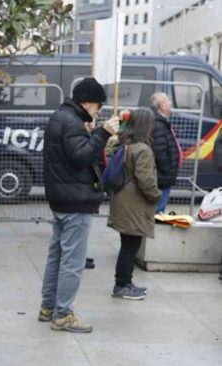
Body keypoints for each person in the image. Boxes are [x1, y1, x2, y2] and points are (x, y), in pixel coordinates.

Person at [39, 77, 119, 334]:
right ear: (88, 102)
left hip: (62, 197)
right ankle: (63, 314)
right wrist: (103, 133)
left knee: (57, 255)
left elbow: (73, 151)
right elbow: (81, 157)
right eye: (98, 105)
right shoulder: (72, 122)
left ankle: (48, 307)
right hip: (76, 199)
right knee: (72, 260)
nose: (99, 111)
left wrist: (91, 132)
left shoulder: (62, 117)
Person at [106, 108, 161, 300]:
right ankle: (122, 285)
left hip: (123, 200)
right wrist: (156, 195)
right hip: (134, 204)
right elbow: (145, 180)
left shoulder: (125, 143)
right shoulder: (143, 149)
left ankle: (125, 283)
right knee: (130, 246)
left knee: (127, 245)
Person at [149, 93, 181, 214]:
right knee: (157, 211)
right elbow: (159, 151)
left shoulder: (159, 122)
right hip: (162, 176)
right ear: (162, 106)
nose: (170, 103)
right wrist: (168, 170)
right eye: (168, 101)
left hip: (162, 175)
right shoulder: (158, 124)